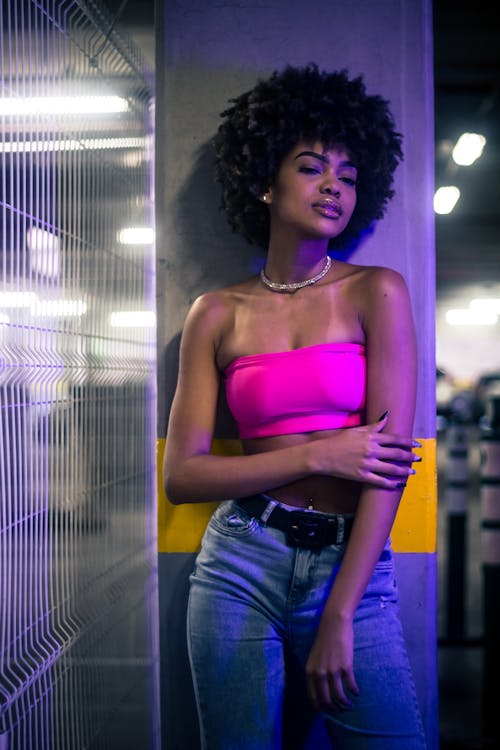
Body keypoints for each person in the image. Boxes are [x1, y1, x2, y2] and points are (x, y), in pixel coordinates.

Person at [163, 64, 427, 750]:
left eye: (348, 173)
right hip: (239, 563)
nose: (334, 184)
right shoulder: (214, 312)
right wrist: (316, 453)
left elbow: (390, 467)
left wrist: (339, 613)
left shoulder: (380, 291)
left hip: (352, 571)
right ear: (263, 180)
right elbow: (183, 477)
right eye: (312, 166)